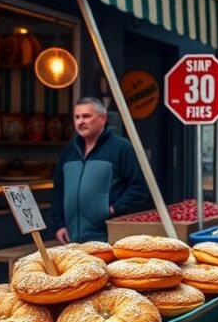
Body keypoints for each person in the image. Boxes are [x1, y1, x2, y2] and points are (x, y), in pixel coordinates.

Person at [52, 97, 149, 243]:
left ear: (102, 118)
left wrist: (111, 209)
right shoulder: (69, 152)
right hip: (72, 239)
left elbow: (139, 187)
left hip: (107, 238)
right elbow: (58, 191)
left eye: (86, 116)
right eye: (77, 117)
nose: (80, 122)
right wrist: (59, 225)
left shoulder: (121, 148)